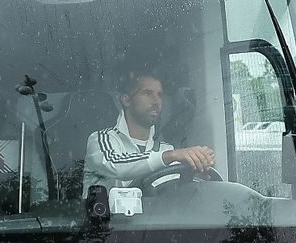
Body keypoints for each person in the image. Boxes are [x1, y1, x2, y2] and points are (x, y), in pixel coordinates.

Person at [82, 69, 217, 191]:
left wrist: (196, 174)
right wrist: (170, 156)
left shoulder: (166, 149)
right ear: (126, 100)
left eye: (159, 95)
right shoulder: (101, 140)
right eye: (147, 93)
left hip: (159, 219)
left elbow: (172, 194)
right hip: (104, 218)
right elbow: (115, 164)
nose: (156, 101)